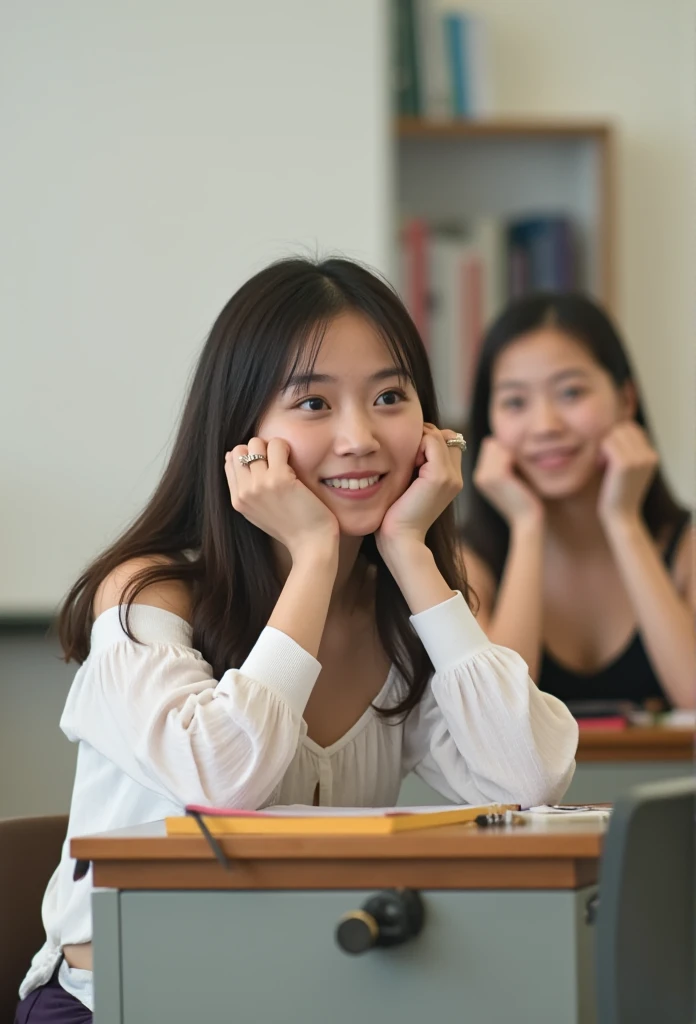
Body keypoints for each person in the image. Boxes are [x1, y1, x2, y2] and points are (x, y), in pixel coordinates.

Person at [16, 257, 577, 1022]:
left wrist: (413, 557)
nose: (359, 438)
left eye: (389, 396)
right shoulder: (149, 593)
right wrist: (313, 557)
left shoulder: (397, 614)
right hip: (118, 1000)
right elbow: (221, 783)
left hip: (304, 996)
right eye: (313, 402)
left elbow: (531, 778)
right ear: (244, 437)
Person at [460, 292, 694, 711]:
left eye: (570, 393)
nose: (546, 425)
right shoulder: (463, 561)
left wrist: (623, 521)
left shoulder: (686, 548)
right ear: (489, 421)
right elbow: (500, 716)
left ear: (625, 400)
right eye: (515, 402)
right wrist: (526, 527)